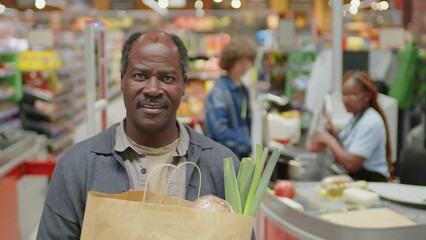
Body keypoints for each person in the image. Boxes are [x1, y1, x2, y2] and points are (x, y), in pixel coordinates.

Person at [36, 30, 241, 239]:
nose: (153, 89)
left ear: (183, 85)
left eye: (167, 78)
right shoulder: (78, 167)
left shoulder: (221, 167)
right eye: (140, 76)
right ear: (122, 81)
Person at [306, 70, 393, 182]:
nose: (346, 100)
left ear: (367, 96)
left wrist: (329, 140)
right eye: (344, 95)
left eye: (352, 95)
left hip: (372, 182)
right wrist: (332, 132)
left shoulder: (370, 121)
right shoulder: (356, 117)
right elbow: (348, 149)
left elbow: (352, 164)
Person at [204, 36, 257, 159]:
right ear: (230, 62)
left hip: (239, 156)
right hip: (223, 158)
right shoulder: (220, 91)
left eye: (248, 61)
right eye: (241, 62)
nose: (246, 66)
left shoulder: (243, 89)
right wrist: (246, 143)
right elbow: (220, 130)